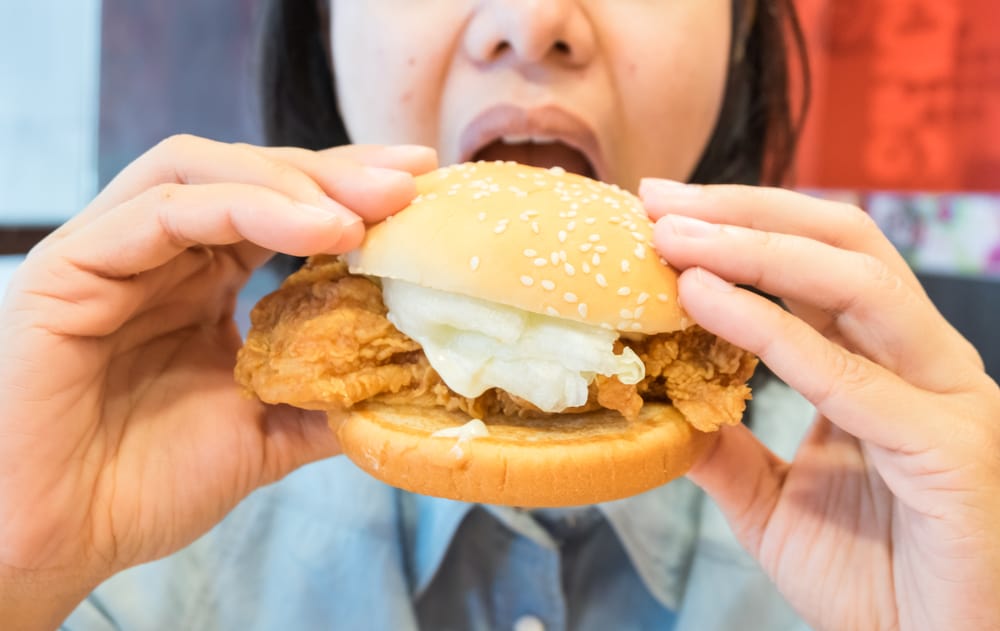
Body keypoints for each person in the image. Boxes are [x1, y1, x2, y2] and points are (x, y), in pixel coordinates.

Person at [2, 1, 998, 629]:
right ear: (320, 26)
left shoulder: (906, 523)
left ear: (742, 31)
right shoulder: (117, 514)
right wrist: (18, 566)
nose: (531, 21)